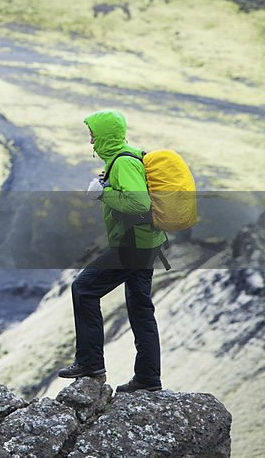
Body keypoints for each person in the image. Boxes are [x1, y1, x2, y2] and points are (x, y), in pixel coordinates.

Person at [57, 110, 167, 393]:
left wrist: (103, 193)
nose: (91, 139)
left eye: (93, 133)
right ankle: (148, 379)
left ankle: (90, 362)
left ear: (105, 135)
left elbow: (139, 205)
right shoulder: (127, 155)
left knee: (84, 288)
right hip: (146, 243)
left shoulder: (122, 163)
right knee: (141, 308)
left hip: (133, 246)